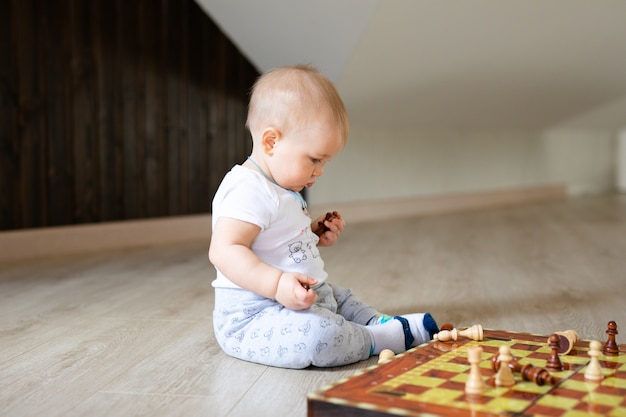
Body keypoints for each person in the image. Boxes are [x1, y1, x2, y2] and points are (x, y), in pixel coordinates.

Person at [209, 65, 438, 368]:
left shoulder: (282, 187)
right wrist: (277, 285)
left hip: (302, 296)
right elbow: (225, 250)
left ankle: (376, 322)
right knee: (319, 338)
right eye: (315, 159)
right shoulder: (247, 190)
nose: (320, 170)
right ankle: (377, 339)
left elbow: (275, 241)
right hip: (255, 315)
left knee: (340, 297)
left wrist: (313, 233)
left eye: (325, 161)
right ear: (271, 142)